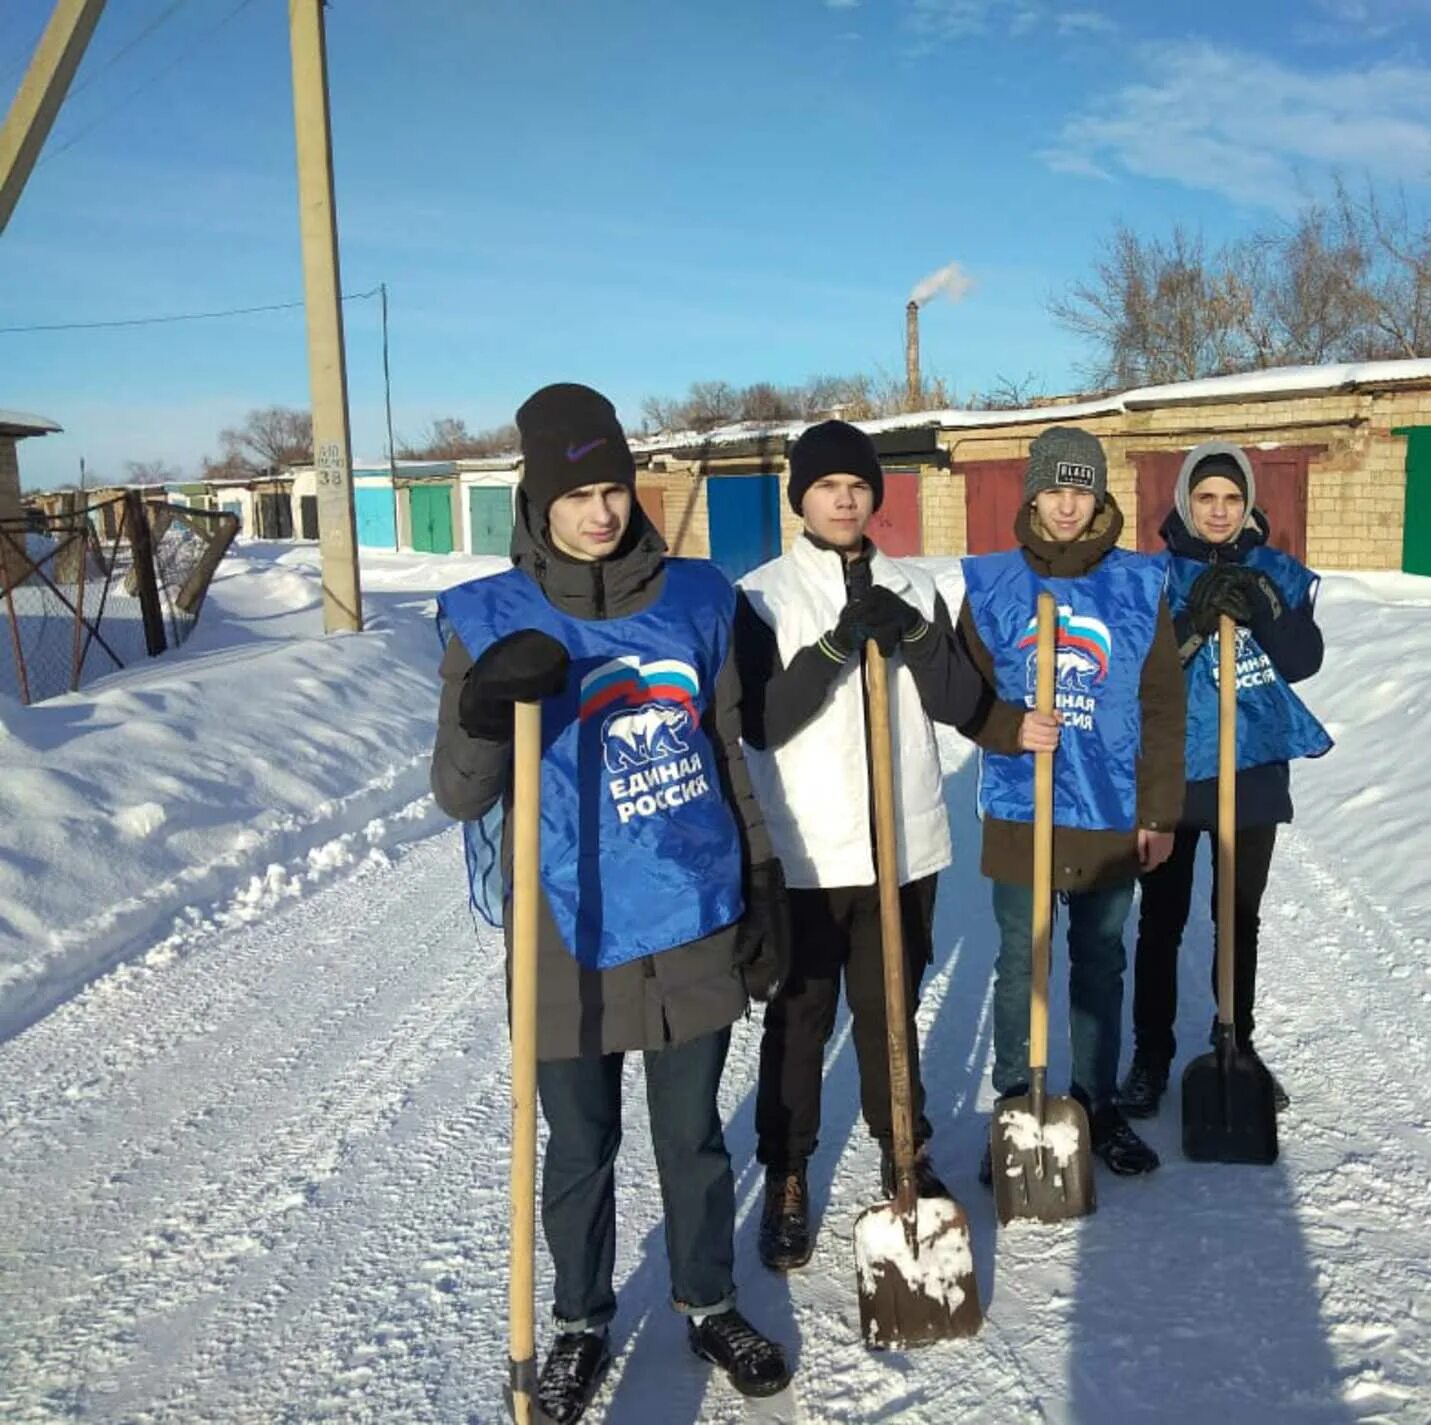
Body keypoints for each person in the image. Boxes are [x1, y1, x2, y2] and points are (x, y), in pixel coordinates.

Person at [431, 383, 793, 1421]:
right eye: (575, 492)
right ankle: (581, 1323)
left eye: (613, 488)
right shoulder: (488, 617)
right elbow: (458, 793)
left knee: (693, 1140)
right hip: (566, 927)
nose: (600, 511)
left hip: (690, 909)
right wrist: (482, 706)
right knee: (580, 1147)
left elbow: (727, 753)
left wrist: (762, 880)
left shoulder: (696, 598)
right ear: (534, 500)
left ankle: (708, 1298)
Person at [733, 419, 986, 1270]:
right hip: (810, 849)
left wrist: (913, 636)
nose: (844, 498)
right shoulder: (762, 596)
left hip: (903, 843)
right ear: (799, 495)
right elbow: (762, 724)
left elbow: (958, 701)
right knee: (799, 1020)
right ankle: (788, 1172)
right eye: (826, 485)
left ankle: (903, 1146)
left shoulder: (918, 584)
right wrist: (837, 646)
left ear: (876, 495)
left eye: (858, 485)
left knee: (890, 1013)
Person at [955, 426, 1186, 1179]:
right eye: (1054, 487)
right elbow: (962, 691)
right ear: (1032, 493)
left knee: (1099, 962)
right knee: (1022, 960)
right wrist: (1004, 726)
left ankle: (1096, 1104)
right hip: (1024, 806)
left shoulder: (1136, 584)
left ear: (1100, 495)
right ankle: (1018, 1106)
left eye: (1080, 488)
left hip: (1110, 808)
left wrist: (1158, 812)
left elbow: (1160, 704)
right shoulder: (992, 585)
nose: (1066, 503)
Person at [1117, 442, 1330, 1120]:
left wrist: (1263, 605)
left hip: (1254, 764)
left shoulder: (1274, 571)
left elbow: (1303, 661)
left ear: (1247, 505)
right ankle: (1150, 1055)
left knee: (1238, 914)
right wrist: (1191, 623)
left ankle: (1237, 1039)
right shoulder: (1153, 577)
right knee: (1162, 918)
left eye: (1231, 499)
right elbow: (1136, 675)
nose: (1218, 510)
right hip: (1175, 769)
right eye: (1206, 497)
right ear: (1185, 500)